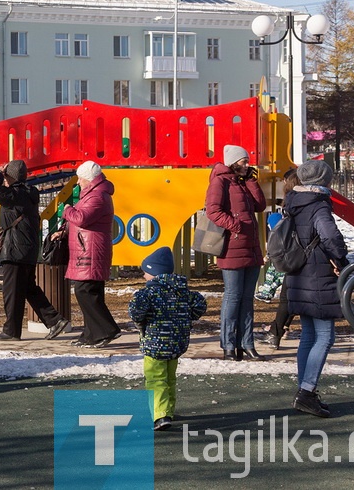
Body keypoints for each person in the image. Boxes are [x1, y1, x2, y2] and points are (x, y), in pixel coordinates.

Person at [285, 160, 349, 417]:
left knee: (309, 336)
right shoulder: (318, 204)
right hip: (317, 275)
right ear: (324, 181)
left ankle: (305, 389)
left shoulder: (293, 202)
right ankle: (306, 391)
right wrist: (341, 260)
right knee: (325, 336)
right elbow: (330, 236)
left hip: (299, 273)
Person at [0, 160, 68, 341]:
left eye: (6, 176)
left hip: (15, 251)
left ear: (10, 177)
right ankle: (55, 321)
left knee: (12, 292)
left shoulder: (14, 195)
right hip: (27, 250)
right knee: (29, 289)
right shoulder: (28, 193)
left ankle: (11, 331)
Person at [129, 247, 207, 431]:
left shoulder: (148, 293)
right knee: (170, 378)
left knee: (156, 379)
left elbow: (135, 311)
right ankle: (168, 410)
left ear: (155, 273)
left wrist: (141, 320)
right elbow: (199, 305)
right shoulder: (183, 291)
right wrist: (186, 317)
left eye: (145, 272)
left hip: (154, 345)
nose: (143, 276)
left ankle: (160, 415)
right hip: (176, 344)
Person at [205, 144, 267, 361]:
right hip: (232, 247)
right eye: (243, 161)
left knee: (247, 298)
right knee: (233, 297)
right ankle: (229, 344)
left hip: (250, 247)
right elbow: (212, 210)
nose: (247, 164)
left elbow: (260, 205)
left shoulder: (241, 182)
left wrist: (251, 180)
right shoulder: (219, 181)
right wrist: (236, 226)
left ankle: (247, 343)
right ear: (233, 162)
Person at [63, 160, 121, 348]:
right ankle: (91, 334)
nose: (78, 182)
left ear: (89, 179)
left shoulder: (97, 197)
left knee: (85, 291)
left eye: (80, 179)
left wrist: (66, 210)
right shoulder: (93, 195)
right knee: (91, 292)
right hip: (88, 249)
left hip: (91, 250)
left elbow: (81, 218)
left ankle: (107, 329)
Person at [261, 167, 302, 350]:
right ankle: (277, 330)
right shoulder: (300, 204)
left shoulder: (293, 205)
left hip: (295, 255)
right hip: (299, 254)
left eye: (285, 182)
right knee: (290, 295)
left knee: (288, 296)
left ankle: (276, 331)